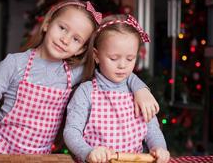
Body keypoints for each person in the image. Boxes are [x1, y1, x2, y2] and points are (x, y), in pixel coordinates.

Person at [0, 0, 158, 159]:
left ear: (80, 49)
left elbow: (114, 76)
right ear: (47, 24)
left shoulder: (75, 74)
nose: (64, 39)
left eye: (75, 39)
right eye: (62, 28)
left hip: (41, 158)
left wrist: (141, 89)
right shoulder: (14, 64)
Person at [64, 14, 170, 163]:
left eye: (130, 58)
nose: (122, 65)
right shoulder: (86, 92)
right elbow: (71, 131)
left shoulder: (139, 93)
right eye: (114, 58)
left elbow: (152, 131)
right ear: (96, 55)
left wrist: (160, 148)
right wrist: (88, 152)